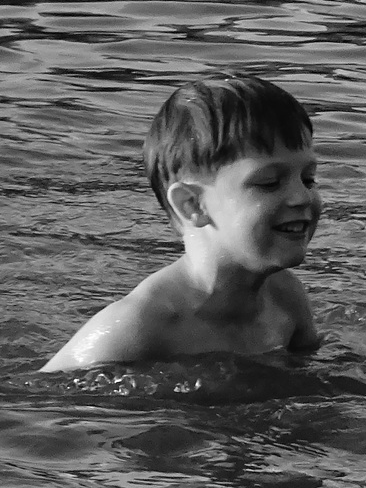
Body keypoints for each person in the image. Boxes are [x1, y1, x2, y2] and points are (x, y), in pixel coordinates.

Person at [43, 73, 323, 372]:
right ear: (193, 204)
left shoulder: (285, 298)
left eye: (308, 178)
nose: (302, 196)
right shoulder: (137, 327)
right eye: (269, 183)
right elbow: (45, 401)